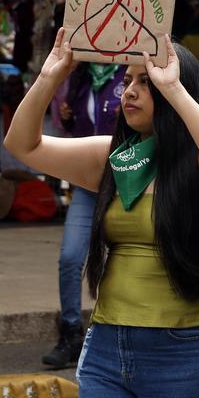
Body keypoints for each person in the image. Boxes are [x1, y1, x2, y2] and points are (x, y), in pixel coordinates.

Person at [5, 31, 199, 398]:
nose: (128, 91)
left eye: (143, 83)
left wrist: (172, 87)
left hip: (189, 352)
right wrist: (50, 75)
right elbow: (22, 145)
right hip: (107, 351)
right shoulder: (112, 158)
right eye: (127, 80)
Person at [42, 62, 125, 369]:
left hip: (129, 180)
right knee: (70, 257)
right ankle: (71, 332)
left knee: (124, 257)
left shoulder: (131, 72)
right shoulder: (81, 77)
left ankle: (120, 335)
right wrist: (67, 116)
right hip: (88, 184)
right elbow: (75, 131)